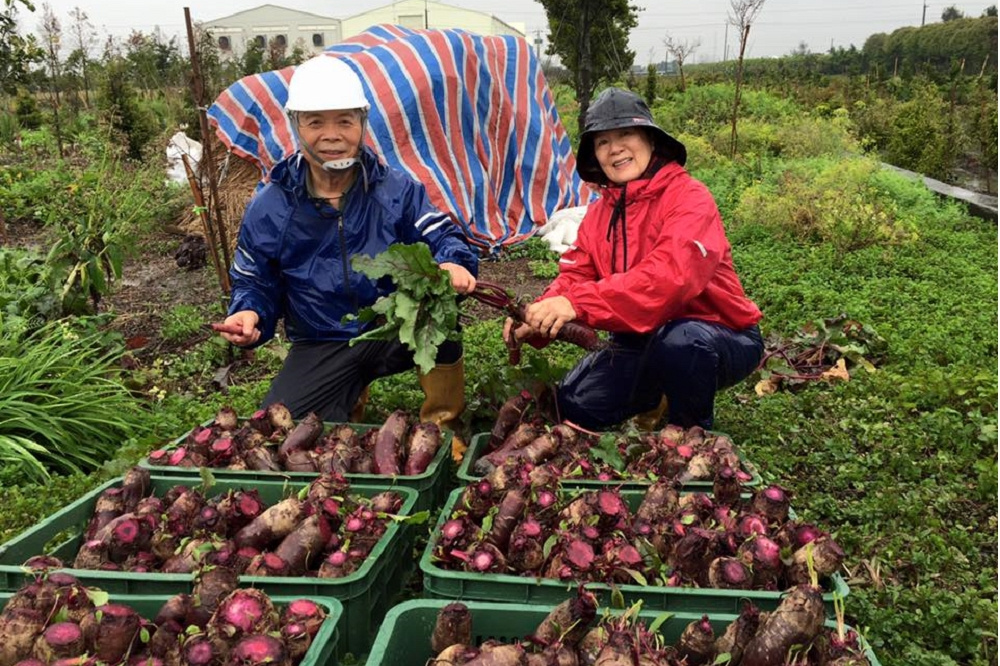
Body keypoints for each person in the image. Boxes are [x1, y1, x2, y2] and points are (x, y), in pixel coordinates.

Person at [216, 55, 479, 457]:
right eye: (316, 121)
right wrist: (250, 313)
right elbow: (254, 279)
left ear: (362, 124)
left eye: (345, 120)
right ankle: (346, 393)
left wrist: (454, 261)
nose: (332, 134)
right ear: (296, 126)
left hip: (393, 327)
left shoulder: (396, 190)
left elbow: (441, 233)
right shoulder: (270, 205)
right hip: (322, 339)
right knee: (282, 438)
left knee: (441, 316)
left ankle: (443, 425)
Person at [504, 87, 763, 431]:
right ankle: (657, 393)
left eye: (626, 133)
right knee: (575, 404)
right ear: (595, 156)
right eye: (602, 142)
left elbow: (669, 280)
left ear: (651, 140)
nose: (615, 149)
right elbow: (576, 275)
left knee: (681, 342)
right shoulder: (599, 215)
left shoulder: (690, 199)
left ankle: (690, 434)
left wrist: (576, 303)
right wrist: (541, 313)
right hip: (639, 340)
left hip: (718, 334)